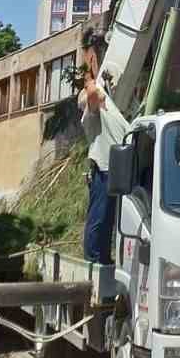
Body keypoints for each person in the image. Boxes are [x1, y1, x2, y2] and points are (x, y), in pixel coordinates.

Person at [78, 25, 128, 265]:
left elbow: (99, 89)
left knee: (109, 217)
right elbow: (93, 93)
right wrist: (88, 74)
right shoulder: (92, 112)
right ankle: (95, 257)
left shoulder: (108, 106)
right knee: (100, 215)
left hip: (117, 168)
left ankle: (104, 256)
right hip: (106, 168)